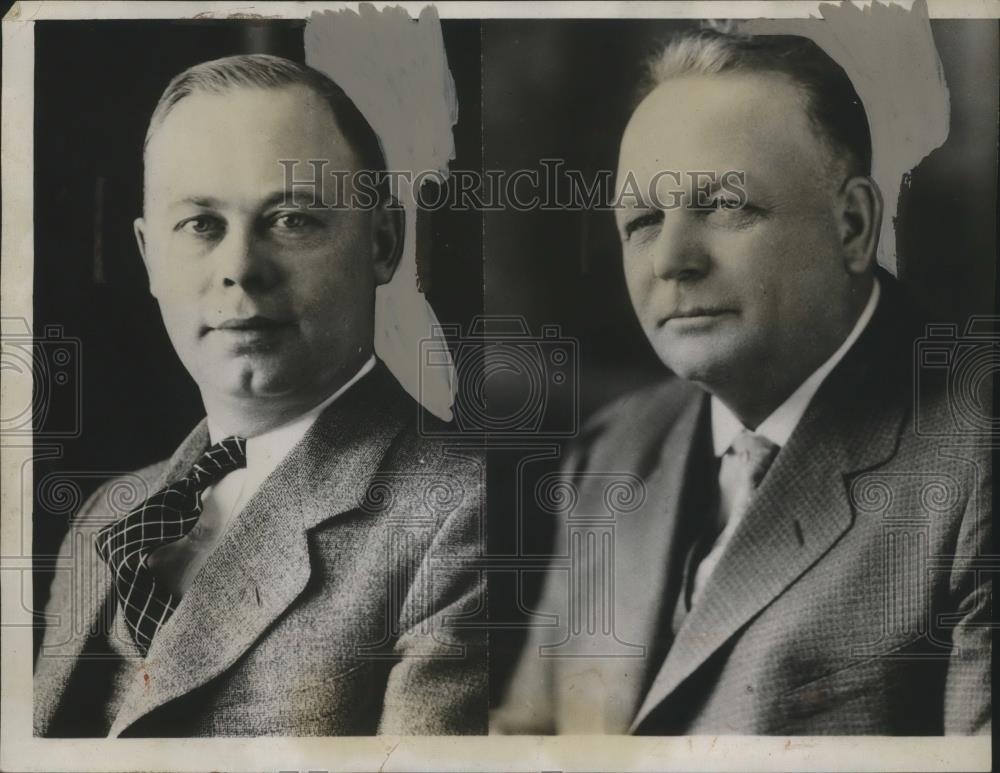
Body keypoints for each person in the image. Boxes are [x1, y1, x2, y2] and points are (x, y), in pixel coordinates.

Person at [495, 30, 990, 735]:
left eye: (726, 205)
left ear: (852, 225)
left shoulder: (976, 462)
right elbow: (527, 735)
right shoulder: (614, 451)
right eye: (641, 220)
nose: (671, 260)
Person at [34, 54, 485, 737]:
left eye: (292, 219)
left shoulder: (464, 515)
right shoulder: (109, 514)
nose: (240, 268)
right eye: (201, 225)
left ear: (384, 241)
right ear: (150, 256)